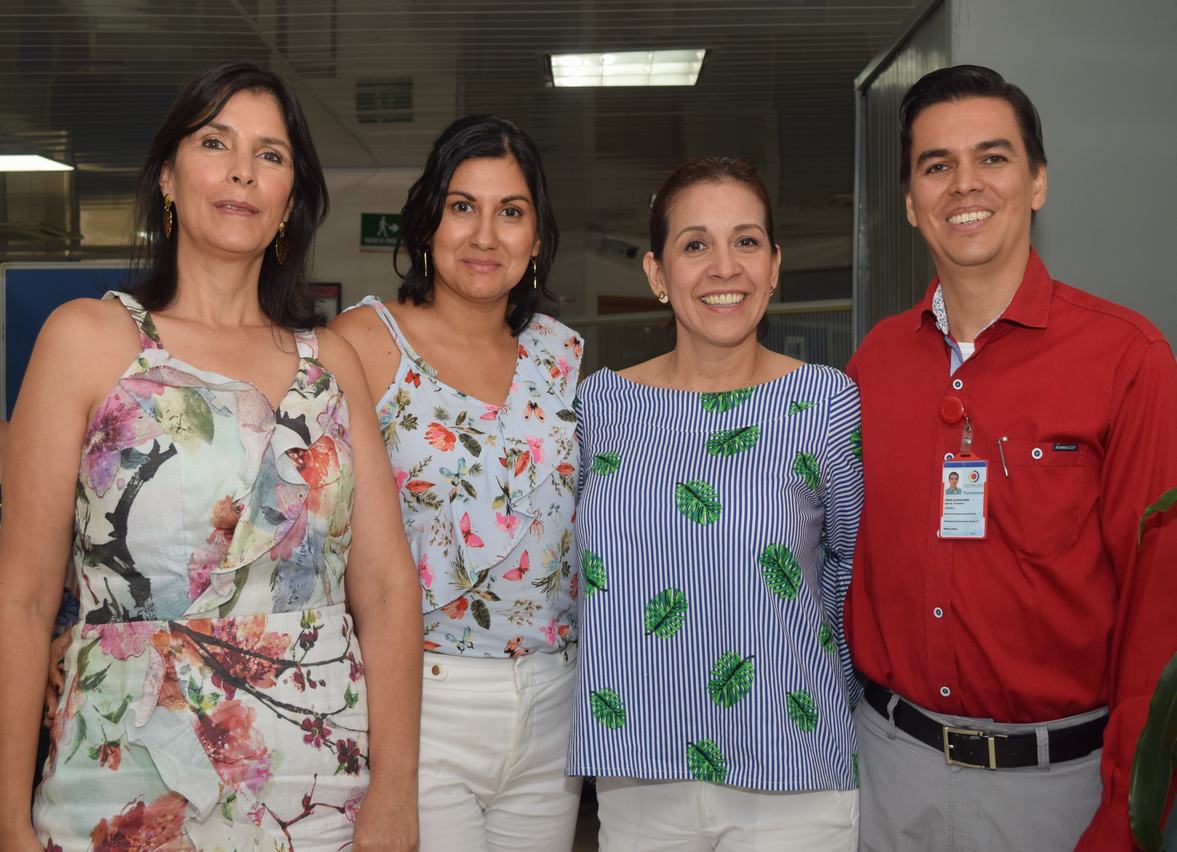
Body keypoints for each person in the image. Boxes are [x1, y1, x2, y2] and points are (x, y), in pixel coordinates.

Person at [0, 60, 421, 849]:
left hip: (316, 780)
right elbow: (20, 600)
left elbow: (390, 589)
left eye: (271, 154)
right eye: (214, 142)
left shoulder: (333, 363)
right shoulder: (87, 340)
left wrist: (395, 798)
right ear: (167, 175)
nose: (240, 170)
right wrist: (3, 818)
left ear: (290, 199)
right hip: (124, 775)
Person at [847, 64, 1177, 852]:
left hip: (1058, 795)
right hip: (886, 776)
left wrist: (1129, 815)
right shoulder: (873, 365)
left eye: (992, 158)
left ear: (1036, 183)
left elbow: (1159, 612)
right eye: (937, 165)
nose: (965, 185)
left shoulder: (1127, 360)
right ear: (909, 203)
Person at [568, 157, 862, 851]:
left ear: (774, 263)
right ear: (655, 273)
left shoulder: (823, 402)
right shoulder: (599, 406)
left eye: (746, 241)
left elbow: (853, 568)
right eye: (695, 244)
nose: (724, 267)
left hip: (795, 773)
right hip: (638, 773)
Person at [330, 115, 584, 851]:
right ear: (427, 219)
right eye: (462, 206)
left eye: (511, 212)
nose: (484, 236)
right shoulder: (365, 342)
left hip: (551, 700)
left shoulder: (560, 352)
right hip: (419, 696)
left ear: (536, 239)